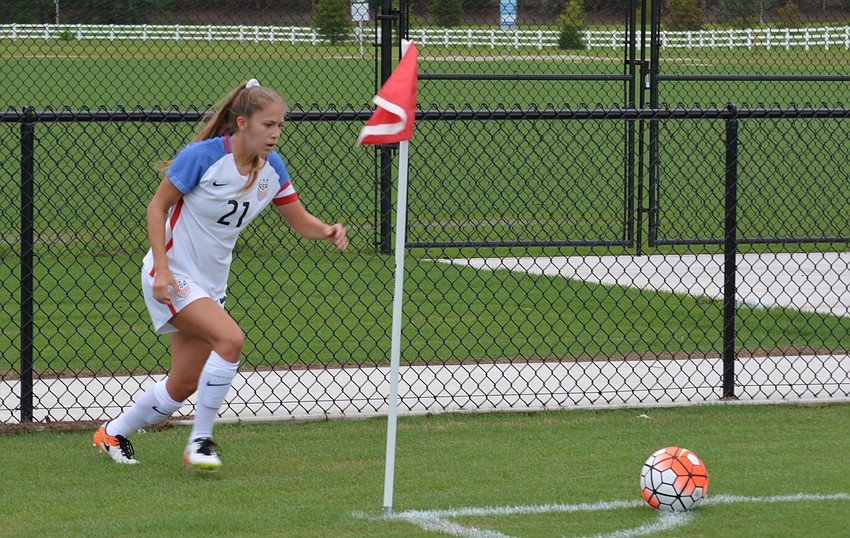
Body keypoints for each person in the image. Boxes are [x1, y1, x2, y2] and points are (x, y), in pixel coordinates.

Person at [92, 79, 348, 470]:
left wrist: (326, 230)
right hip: (173, 274)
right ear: (242, 123)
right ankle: (200, 441)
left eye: (280, 125)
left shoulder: (272, 168)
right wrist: (162, 271)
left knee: (181, 384)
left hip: (210, 284)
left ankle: (112, 433)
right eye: (268, 124)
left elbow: (299, 220)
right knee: (231, 339)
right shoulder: (203, 157)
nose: (276, 133)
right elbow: (156, 208)